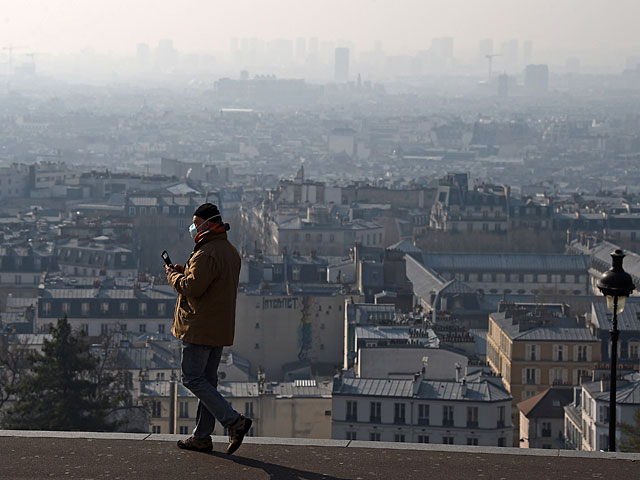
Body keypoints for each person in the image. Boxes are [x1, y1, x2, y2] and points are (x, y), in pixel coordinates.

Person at [165, 202, 251, 454]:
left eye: (195, 222)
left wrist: (172, 276)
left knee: (192, 378)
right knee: (208, 382)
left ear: (207, 223)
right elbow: (210, 283)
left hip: (199, 326)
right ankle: (202, 436)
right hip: (218, 327)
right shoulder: (229, 251)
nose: (193, 227)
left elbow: (192, 288)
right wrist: (187, 272)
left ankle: (233, 421)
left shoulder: (206, 253)